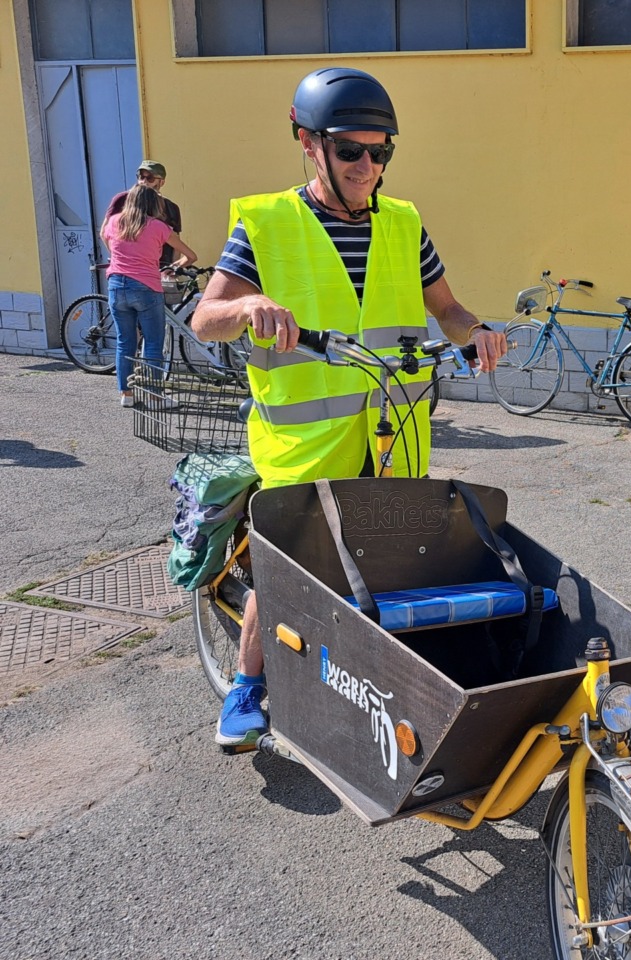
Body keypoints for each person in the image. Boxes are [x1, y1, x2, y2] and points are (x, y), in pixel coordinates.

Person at [191, 66, 509, 749]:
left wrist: (475, 332)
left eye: (381, 151)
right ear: (308, 143)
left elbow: (446, 307)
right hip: (304, 445)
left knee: (396, 568)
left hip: (394, 436)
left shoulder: (403, 222)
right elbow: (204, 318)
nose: (368, 166)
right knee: (290, 570)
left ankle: (375, 689)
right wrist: (248, 305)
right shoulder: (270, 225)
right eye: (350, 151)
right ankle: (247, 686)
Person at [100, 183, 199, 407]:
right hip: (146, 287)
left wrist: (118, 258)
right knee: (153, 343)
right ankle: (155, 397)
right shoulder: (158, 226)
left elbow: (105, 238)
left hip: (116, 285)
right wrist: (174, 266)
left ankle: (126, 395)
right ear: (153, 204)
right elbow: (191, 256)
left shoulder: (115, 221)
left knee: (125, 342)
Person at [105, 161, 185, 268]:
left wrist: (173, 270)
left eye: (150, 178)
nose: (144, 182)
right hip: (129, 269)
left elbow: (176, 245)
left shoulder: (171, 207)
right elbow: (104, 233)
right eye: (141, 177)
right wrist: (119, 258)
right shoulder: (122, 200)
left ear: (161, 182)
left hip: (161, 268)